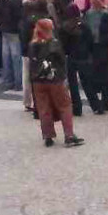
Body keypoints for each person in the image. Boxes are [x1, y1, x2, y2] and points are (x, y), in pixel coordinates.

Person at [28, 18, 85, 148]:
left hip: (38, 81)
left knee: (44, 108)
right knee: (64, 106)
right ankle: (69, 135)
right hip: (54, 80)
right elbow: (61, 61)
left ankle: (48, 136)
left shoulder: (32, 44)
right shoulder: (54, 43)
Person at [0, 0, 23, 91]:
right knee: (16, 56)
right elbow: (19, 15)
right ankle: (18, 82)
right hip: (15, 30)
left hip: (4, 29)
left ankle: (8, 81)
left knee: (6, 55)